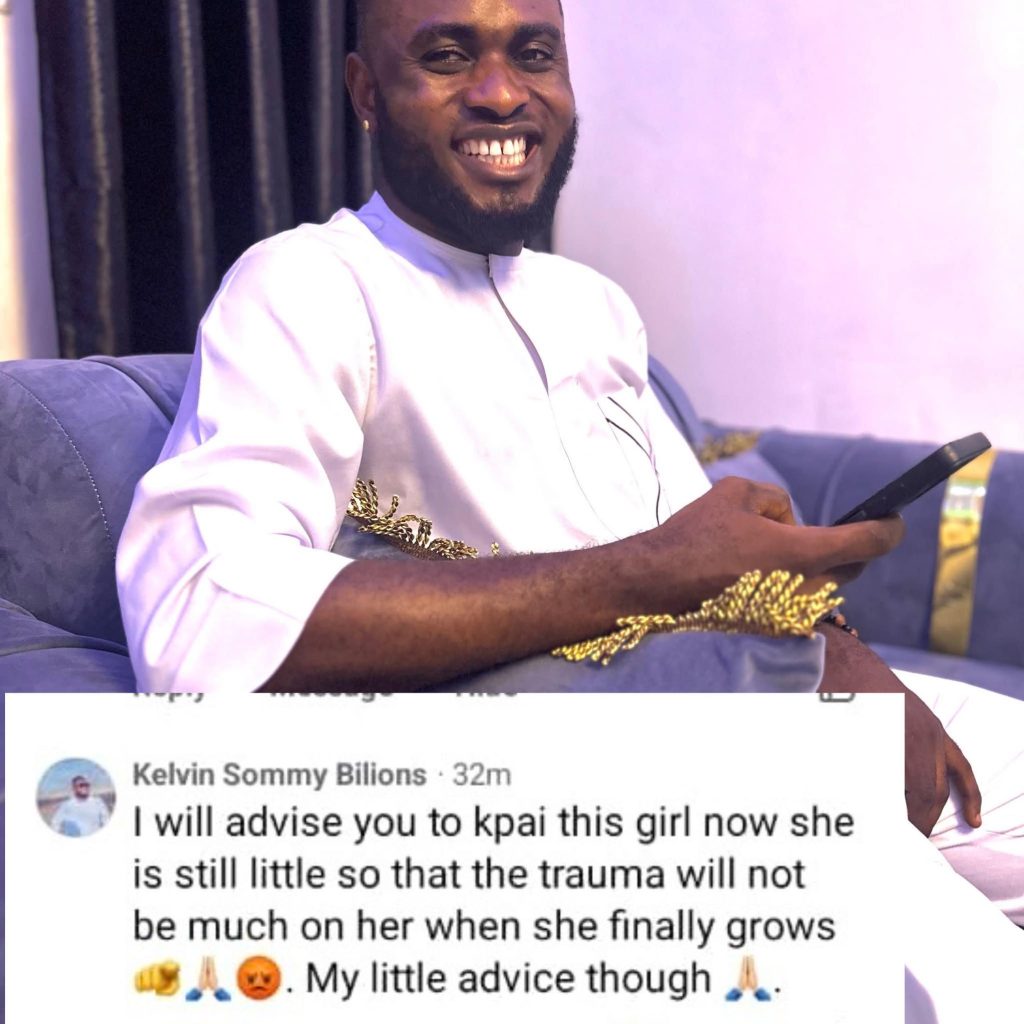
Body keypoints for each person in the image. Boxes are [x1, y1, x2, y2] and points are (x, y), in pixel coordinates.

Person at [116, 0, 1022, 966]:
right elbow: (202, 621)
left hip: (757, 689)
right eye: (448, 56)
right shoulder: (305, 286)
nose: (502, 93)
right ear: (365, 92)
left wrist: (842, 648)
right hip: (593, 778)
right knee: (958, 969)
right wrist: (649, 574)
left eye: (534, 54)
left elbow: (704, 544)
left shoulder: (593, 306)